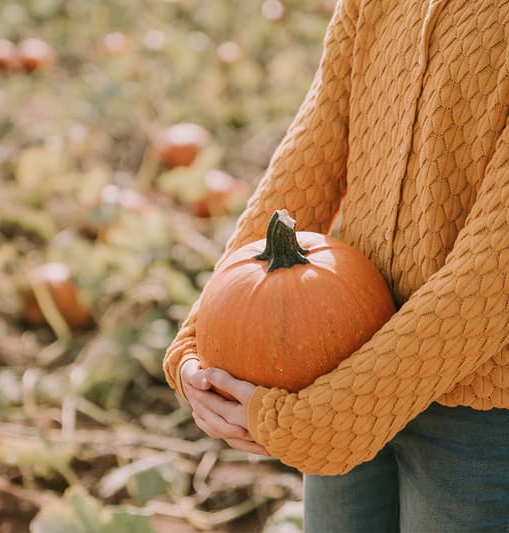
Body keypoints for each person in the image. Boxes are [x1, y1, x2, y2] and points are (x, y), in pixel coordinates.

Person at [163, 0, 509, 531]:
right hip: (338, 360)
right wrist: (203, 341)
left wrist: (327, 418)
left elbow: (491, 277)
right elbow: (306, 164)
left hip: (479, 415)